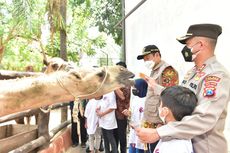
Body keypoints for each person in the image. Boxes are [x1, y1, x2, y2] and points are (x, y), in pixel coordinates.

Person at [136, 24, 230, 153]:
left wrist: (159, 133)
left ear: (201, 45)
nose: (186, 48)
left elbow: (204, 118)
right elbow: (180, 98)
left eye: (188, 44)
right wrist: (155, 87)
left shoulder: (216, 75)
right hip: (185, 143)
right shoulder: (193, 72)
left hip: (204, 148)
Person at [136, 45, 179, 151]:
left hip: (160, 124)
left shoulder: (167, 70)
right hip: (151, 121)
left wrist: (162, 123)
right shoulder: (154, 70)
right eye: (144, 59)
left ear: (157, 55)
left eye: (147, 58)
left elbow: (170, 96)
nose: (145, 61)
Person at [154, 85, 197, 153]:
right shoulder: (173, 135)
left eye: (160, 104)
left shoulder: (177, 146)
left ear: (164, 111)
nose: (159, 108)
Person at [122, 78, 148, 153]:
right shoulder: (135, 99)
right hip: (133, 131)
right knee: (132, 148)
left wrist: (138, 125)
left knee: (140, 148)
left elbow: (146, 118)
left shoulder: (147, 101)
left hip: (142, 130)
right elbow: (132, 112)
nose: (133, 89)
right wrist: (128, 113)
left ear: (141, 87)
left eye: (135, 87)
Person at [114, 61, 131, 153]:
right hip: (113, 113)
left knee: (121, 136)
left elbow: (123, 96)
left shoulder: (127, 82)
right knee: (114, 135)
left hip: (122, 113)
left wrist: (115, 86)